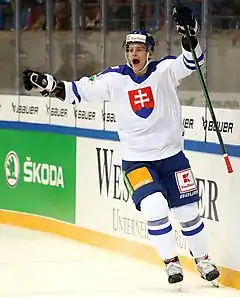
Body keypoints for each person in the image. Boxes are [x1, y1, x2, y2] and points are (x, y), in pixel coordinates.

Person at [22, 6, 220, 286]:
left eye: (140, 48)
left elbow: (192, 61)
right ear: (126, 52)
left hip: (173, 158)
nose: (135, 53)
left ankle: (202, 259)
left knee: (188, 212)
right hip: (137, 161)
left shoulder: (164, 71)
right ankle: (171, 263)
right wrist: (48, 84)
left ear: (149, 52)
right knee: (154, 207)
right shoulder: (114, 79)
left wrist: (190, 34)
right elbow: (78, 92)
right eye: (131, 48)